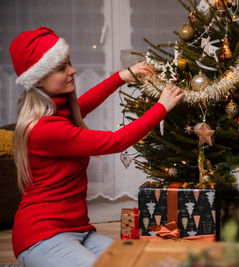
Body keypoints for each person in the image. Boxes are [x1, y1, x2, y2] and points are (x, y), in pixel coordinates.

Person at [9, 26, 184, 267]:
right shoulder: (45, 129)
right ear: (38, 79)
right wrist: (161, 107)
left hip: (78, 230)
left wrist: (121, 77)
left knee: (138, 261)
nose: (73, 70)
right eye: (62, 68)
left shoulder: (58, 113)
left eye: (68, 63)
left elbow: (85, 103)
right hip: (42, 236)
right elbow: (116, 141)